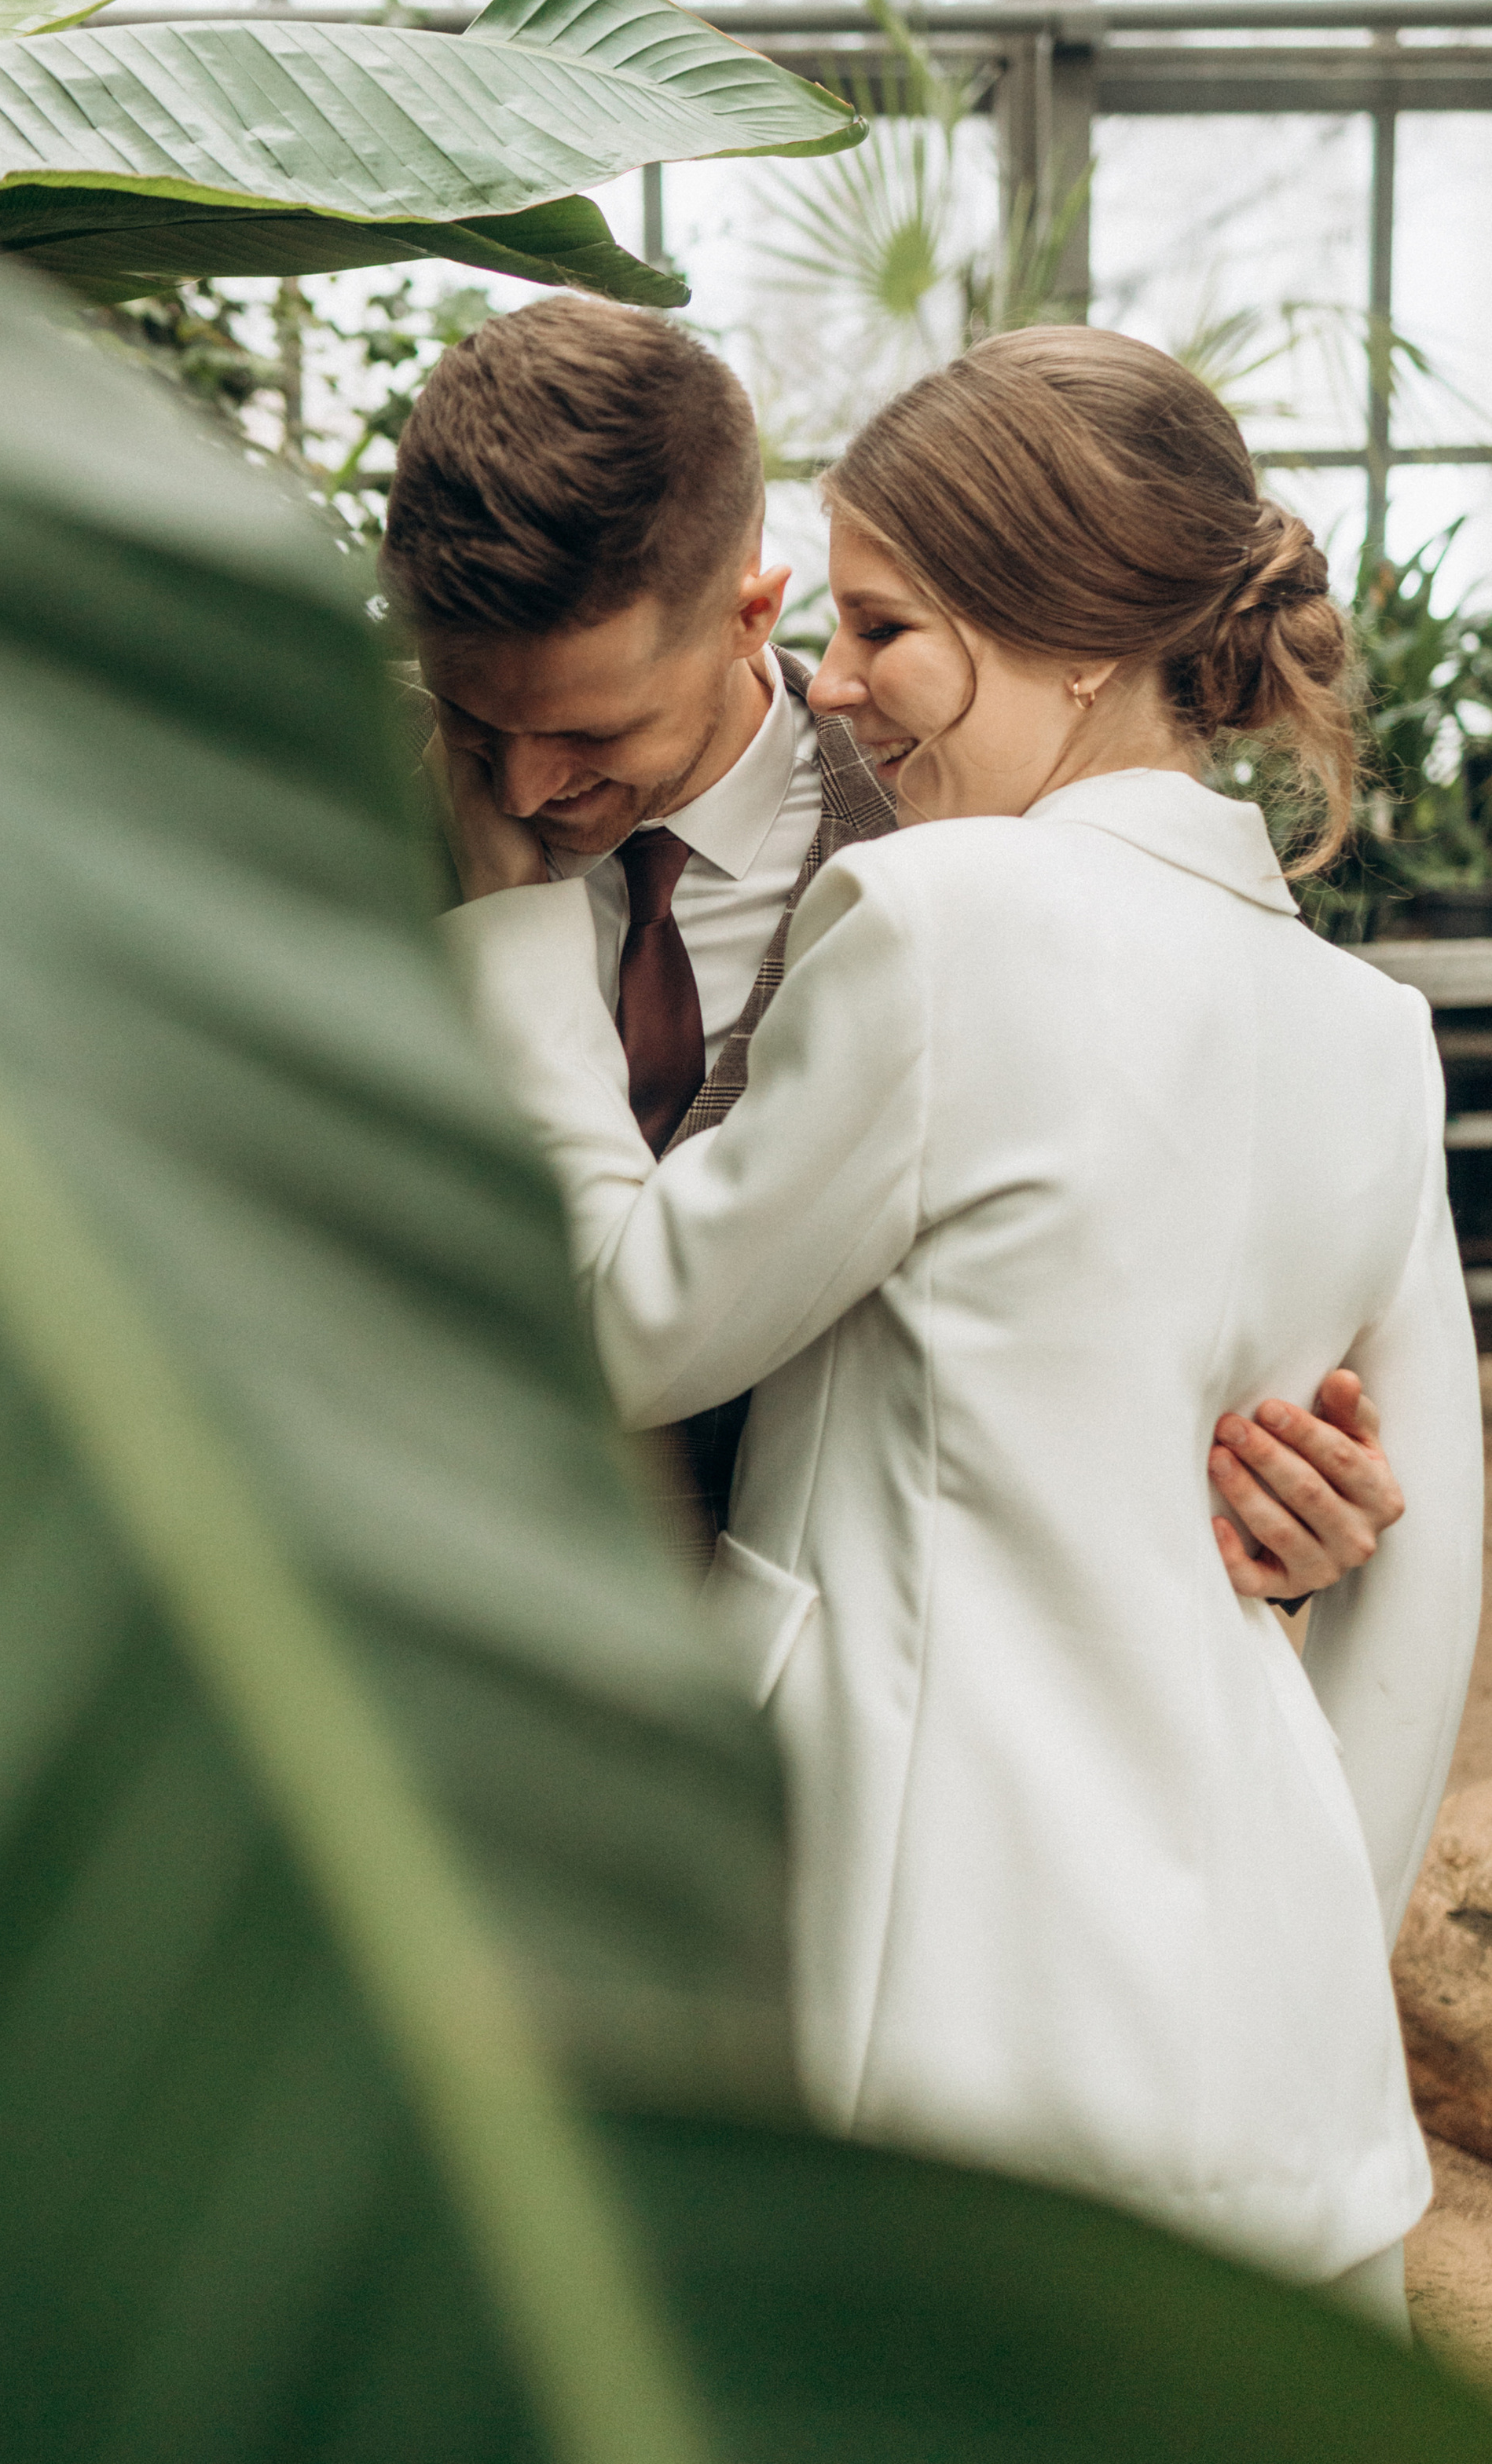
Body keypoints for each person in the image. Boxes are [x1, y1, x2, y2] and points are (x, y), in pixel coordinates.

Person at [434, 322, 1483, 2325]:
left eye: (881, 628)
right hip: (1256, 2042)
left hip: (918, 1980)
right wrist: (1283, 1944)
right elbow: (1410, 1568)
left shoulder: (948, 920)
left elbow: (623, 1328)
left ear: (1063, 639)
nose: (827, 685)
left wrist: (506, 954)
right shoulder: (1364, 1036)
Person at [383, 295, 1406, 1598]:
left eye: (593, 733)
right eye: (476, 719)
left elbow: (1112, 1325)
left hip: (833, 1738)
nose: (524, 788)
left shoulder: (1003, 879)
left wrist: (1253, 1515)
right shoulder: (324, 845)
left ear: (754, 611)